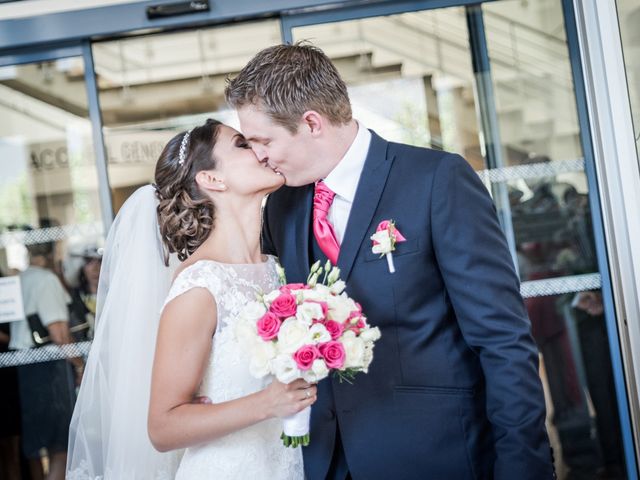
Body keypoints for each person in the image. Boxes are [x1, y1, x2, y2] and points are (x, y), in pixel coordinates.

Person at [225, 43, 556, 480]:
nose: (260, 156)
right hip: (324, 462)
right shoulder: (282, 207)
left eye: (263, 141)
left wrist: (524, 467)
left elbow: (502, 340)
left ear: (311, 123)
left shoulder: (436, 180)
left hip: (436, 456)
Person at [67, 119, 315, 479]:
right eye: (243, 145)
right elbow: (163, 428)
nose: (261, 150)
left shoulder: (277, 270)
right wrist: (267, 403)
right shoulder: (200, 285)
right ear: (212, 179)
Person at [10, 237, 82, 480]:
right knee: (60, 448)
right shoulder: (45, 280)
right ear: (51, 249)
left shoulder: (19, 279)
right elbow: (59, 333)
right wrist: (80, 365)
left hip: (24, 366)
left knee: (45, 448)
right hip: (48, 369)